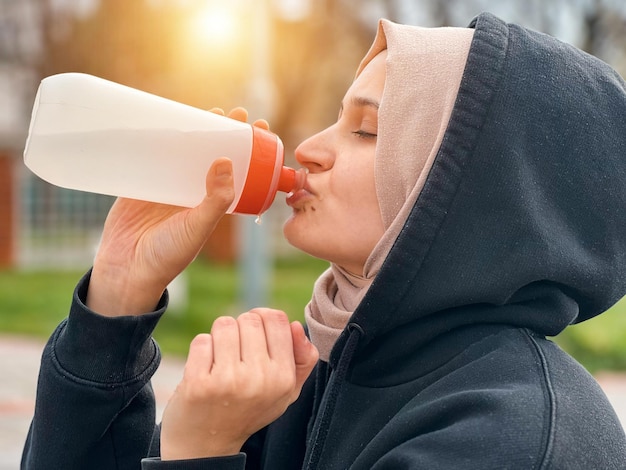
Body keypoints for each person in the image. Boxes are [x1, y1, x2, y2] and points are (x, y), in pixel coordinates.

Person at [21, 11, 626, 469]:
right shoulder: (310, 373)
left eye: (364, 129)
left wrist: (201, 451)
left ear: (470, 189)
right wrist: (115, 301)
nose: (309, 147)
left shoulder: (515, 438)